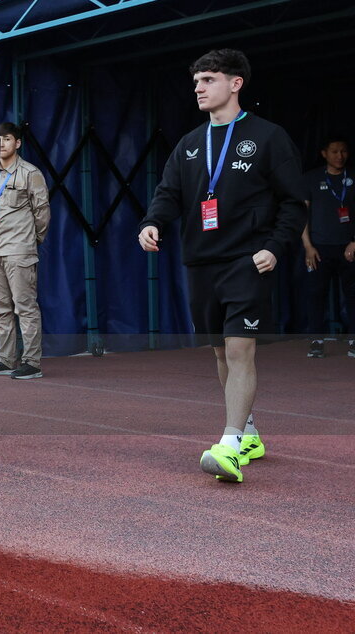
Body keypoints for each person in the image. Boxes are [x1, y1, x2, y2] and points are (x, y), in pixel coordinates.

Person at [138, 49, 305, 483]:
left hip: (247, 260)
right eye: (196, 81)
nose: (198, 87)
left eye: (208, 79)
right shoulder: (191, 143)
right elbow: (168, 192)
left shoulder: (268, 137)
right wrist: (153, 222)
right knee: (218, 351)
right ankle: (248, 431)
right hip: (200, 261)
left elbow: (294, 201)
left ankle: (229, 443)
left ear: (236, 84)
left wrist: (275, 246)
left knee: (239, 347)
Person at [0, 123, 51, 379]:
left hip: (19, 248)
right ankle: (7, 359)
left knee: (25, 306)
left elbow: (42, 211)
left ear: (17, 143)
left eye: (7, 139)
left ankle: (32, 362)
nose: (1, 144)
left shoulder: (30, 173)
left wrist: (32, 240)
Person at [301, 134, 355, 358]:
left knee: (352, 295)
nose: (339, 156)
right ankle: (316, 341)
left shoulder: (353, 177)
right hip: (319, 248)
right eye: (334, 151)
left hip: (349, 248)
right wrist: (308, 247)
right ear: (324, 153)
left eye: (343, 151)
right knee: (316, 295)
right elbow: (302, 214)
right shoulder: (310, 179)